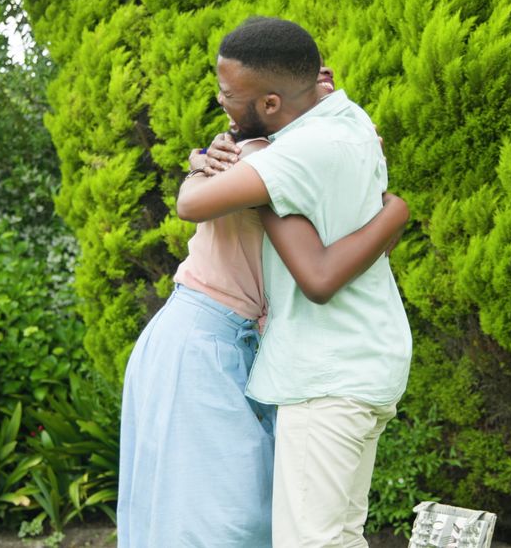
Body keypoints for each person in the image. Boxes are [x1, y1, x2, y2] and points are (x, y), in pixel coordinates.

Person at [116, 61, 409, 546]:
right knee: (222, 525)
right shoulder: (260, 154)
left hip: (256, 350)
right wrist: (396, 210)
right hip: (200, 341)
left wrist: (385, 204)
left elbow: (362, 248)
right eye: (319, 83)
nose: (328, 95)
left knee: (266, 522)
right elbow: (318, 270)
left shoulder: (325, 150)